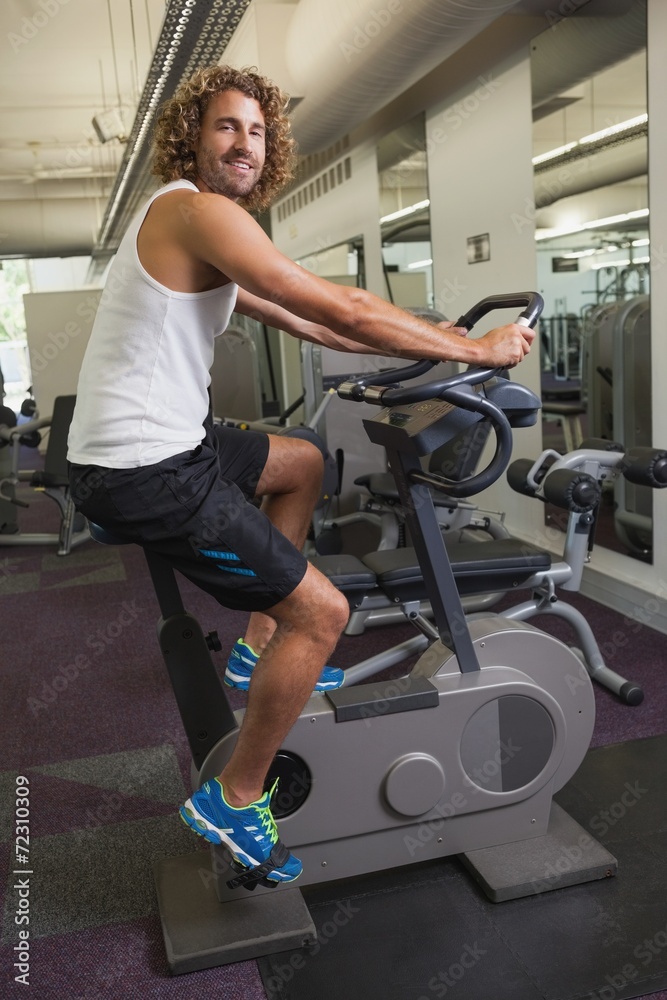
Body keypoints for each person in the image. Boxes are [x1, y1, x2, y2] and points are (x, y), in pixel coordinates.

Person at [67, 65, 535, 889]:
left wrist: (429, 339)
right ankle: (235, 797)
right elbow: (335, 303)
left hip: (168, 442)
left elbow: (317, 318)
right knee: (324, 611)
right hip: (143, 468)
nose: (242, 143)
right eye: (224, 127)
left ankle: (257, 652)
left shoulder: (197, 227)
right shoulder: (194, 211)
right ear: (194, 139)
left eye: (254, 131)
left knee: (304, 462)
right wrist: (479, 350)